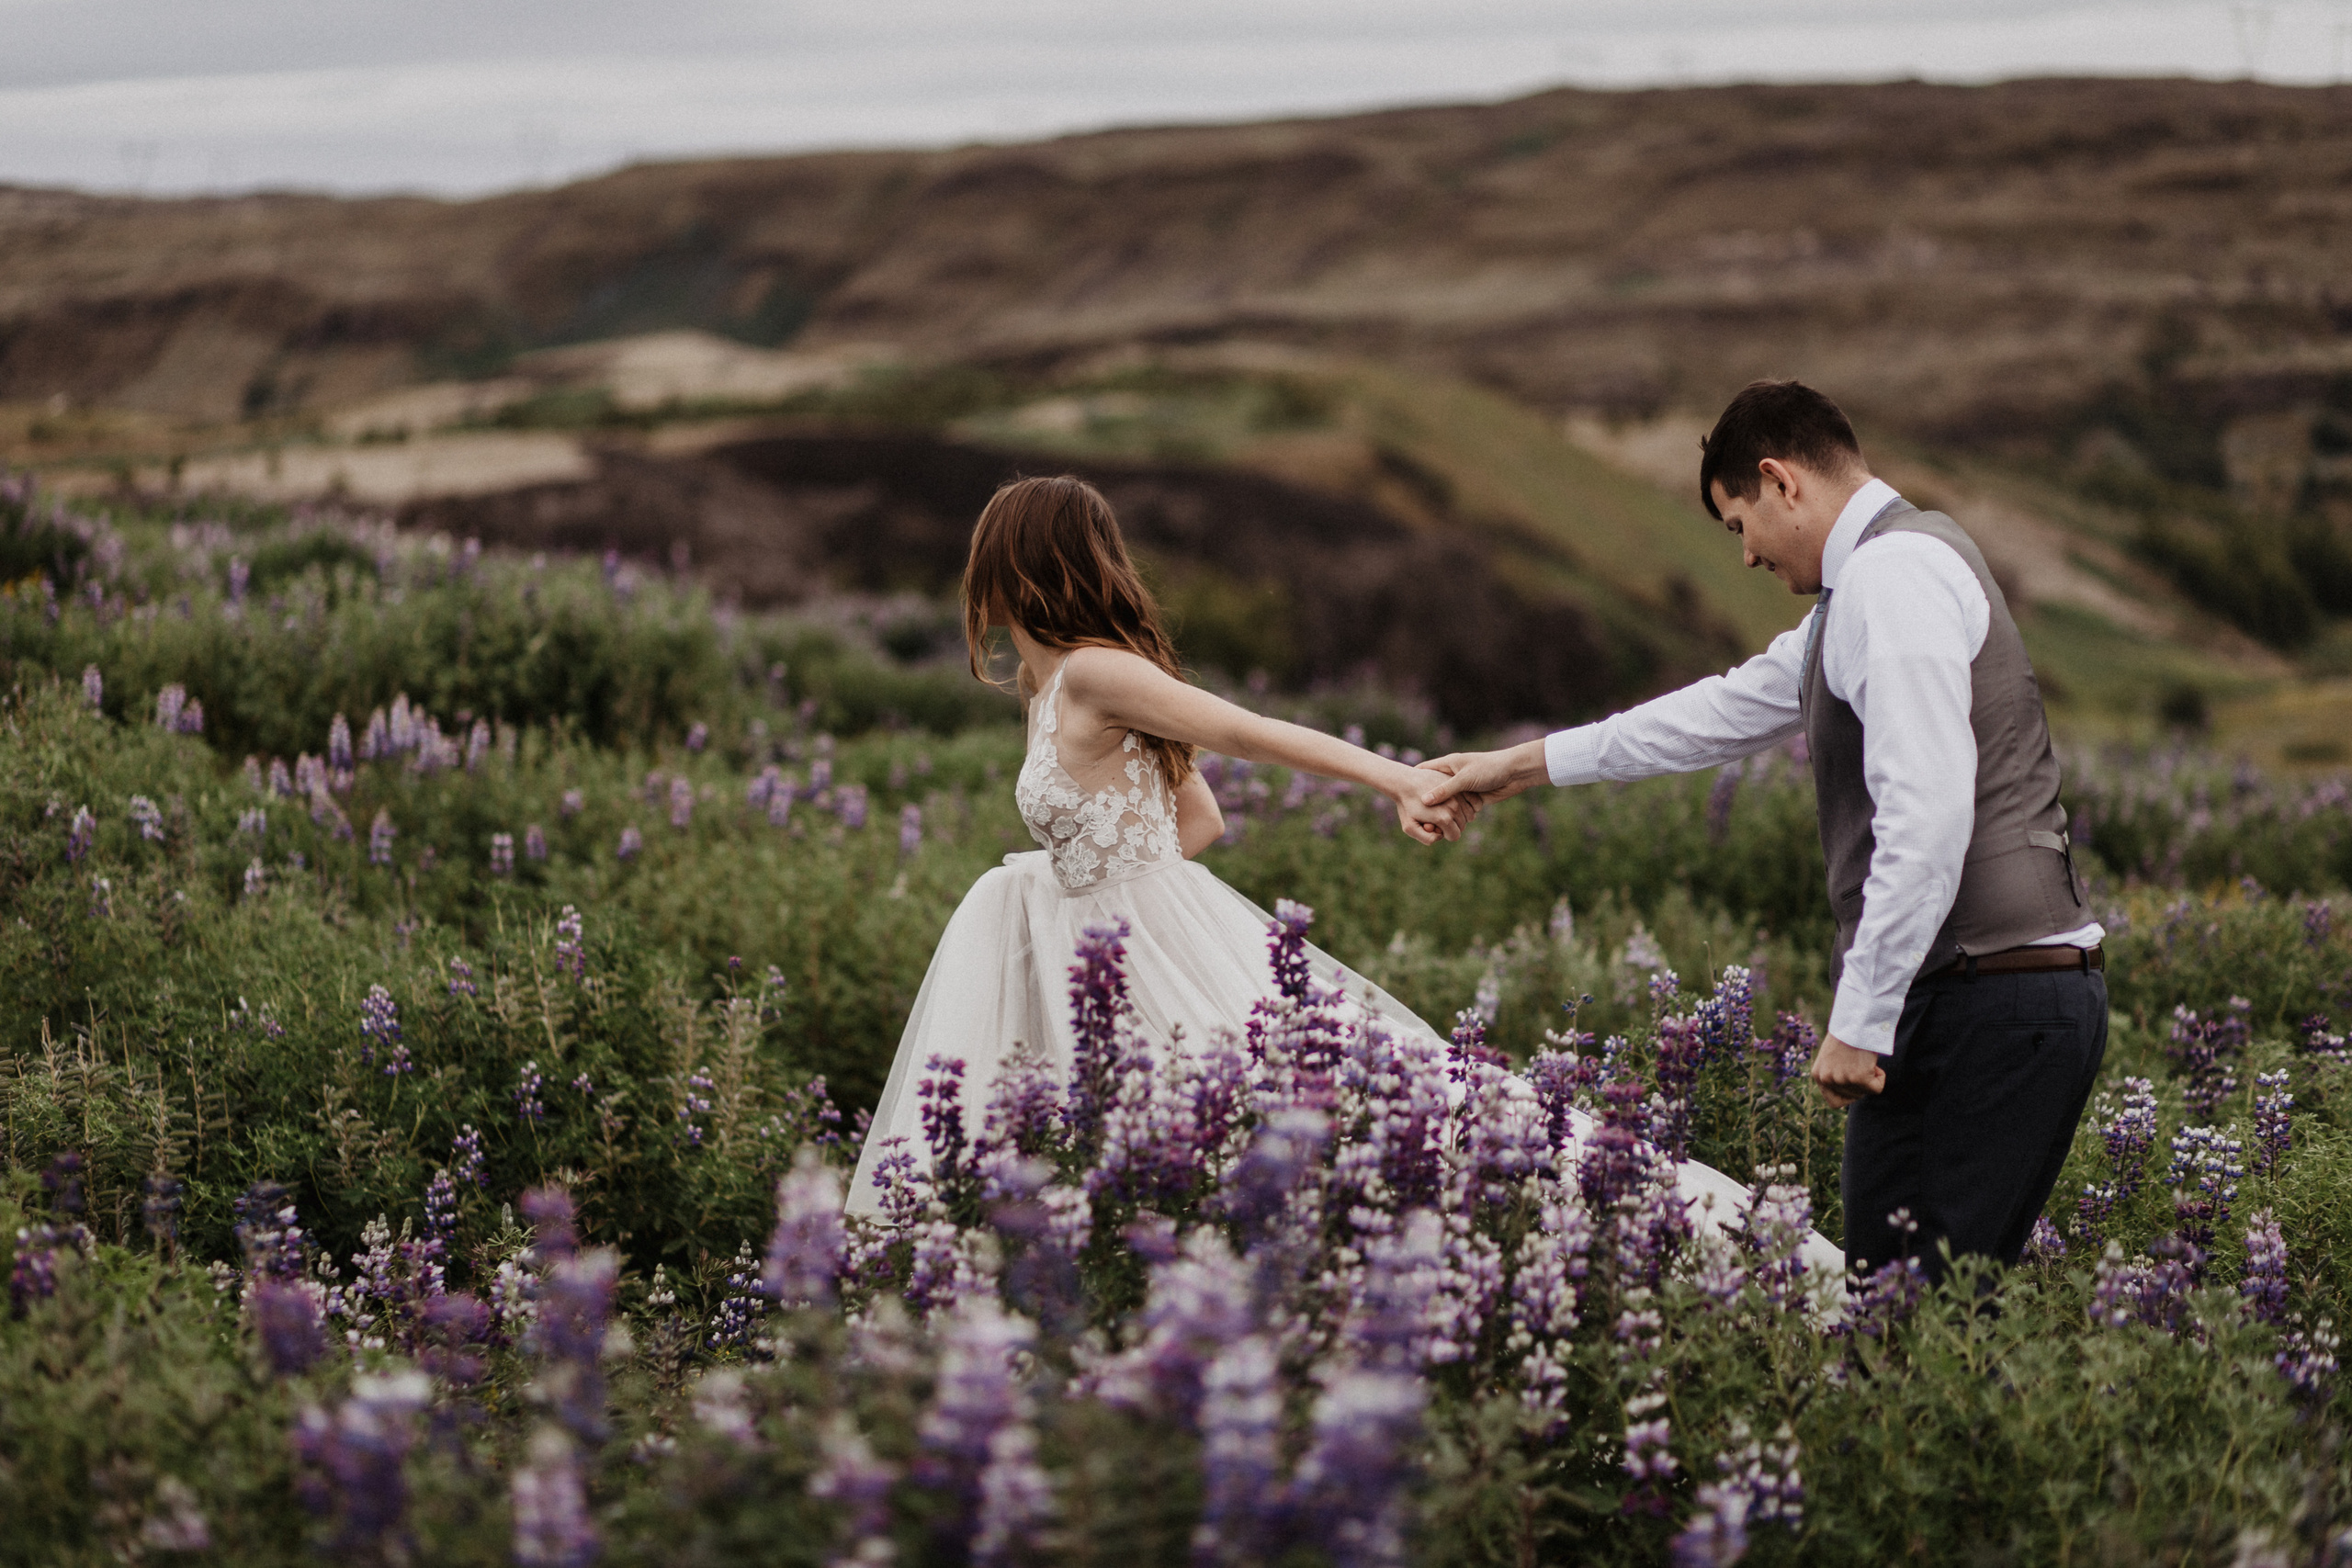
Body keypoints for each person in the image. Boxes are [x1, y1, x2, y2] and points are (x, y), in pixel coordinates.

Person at [844, 475, 1846, 1282]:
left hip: (1140, 940)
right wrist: (1094, 881)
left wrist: (1393, 779)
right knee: (1140, 1142)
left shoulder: (1098, 671)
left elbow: (1246, 732)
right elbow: (1198, 819)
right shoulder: (1043, 683)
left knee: (1290, 1120)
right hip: (1115, 932)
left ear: (1009, 566)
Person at [1421, 379, 2107, 1284]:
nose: (1742, 558)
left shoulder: (1890, 580)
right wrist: (1511, 767)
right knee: (1915, 1326)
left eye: (1735, 523)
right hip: (1992, 993)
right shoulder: (1873, 584)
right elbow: (1718, 711)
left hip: (1985, 997)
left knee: (1908, 1329)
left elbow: (1928, 815)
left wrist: (1858, 1021)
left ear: (1781, 482)